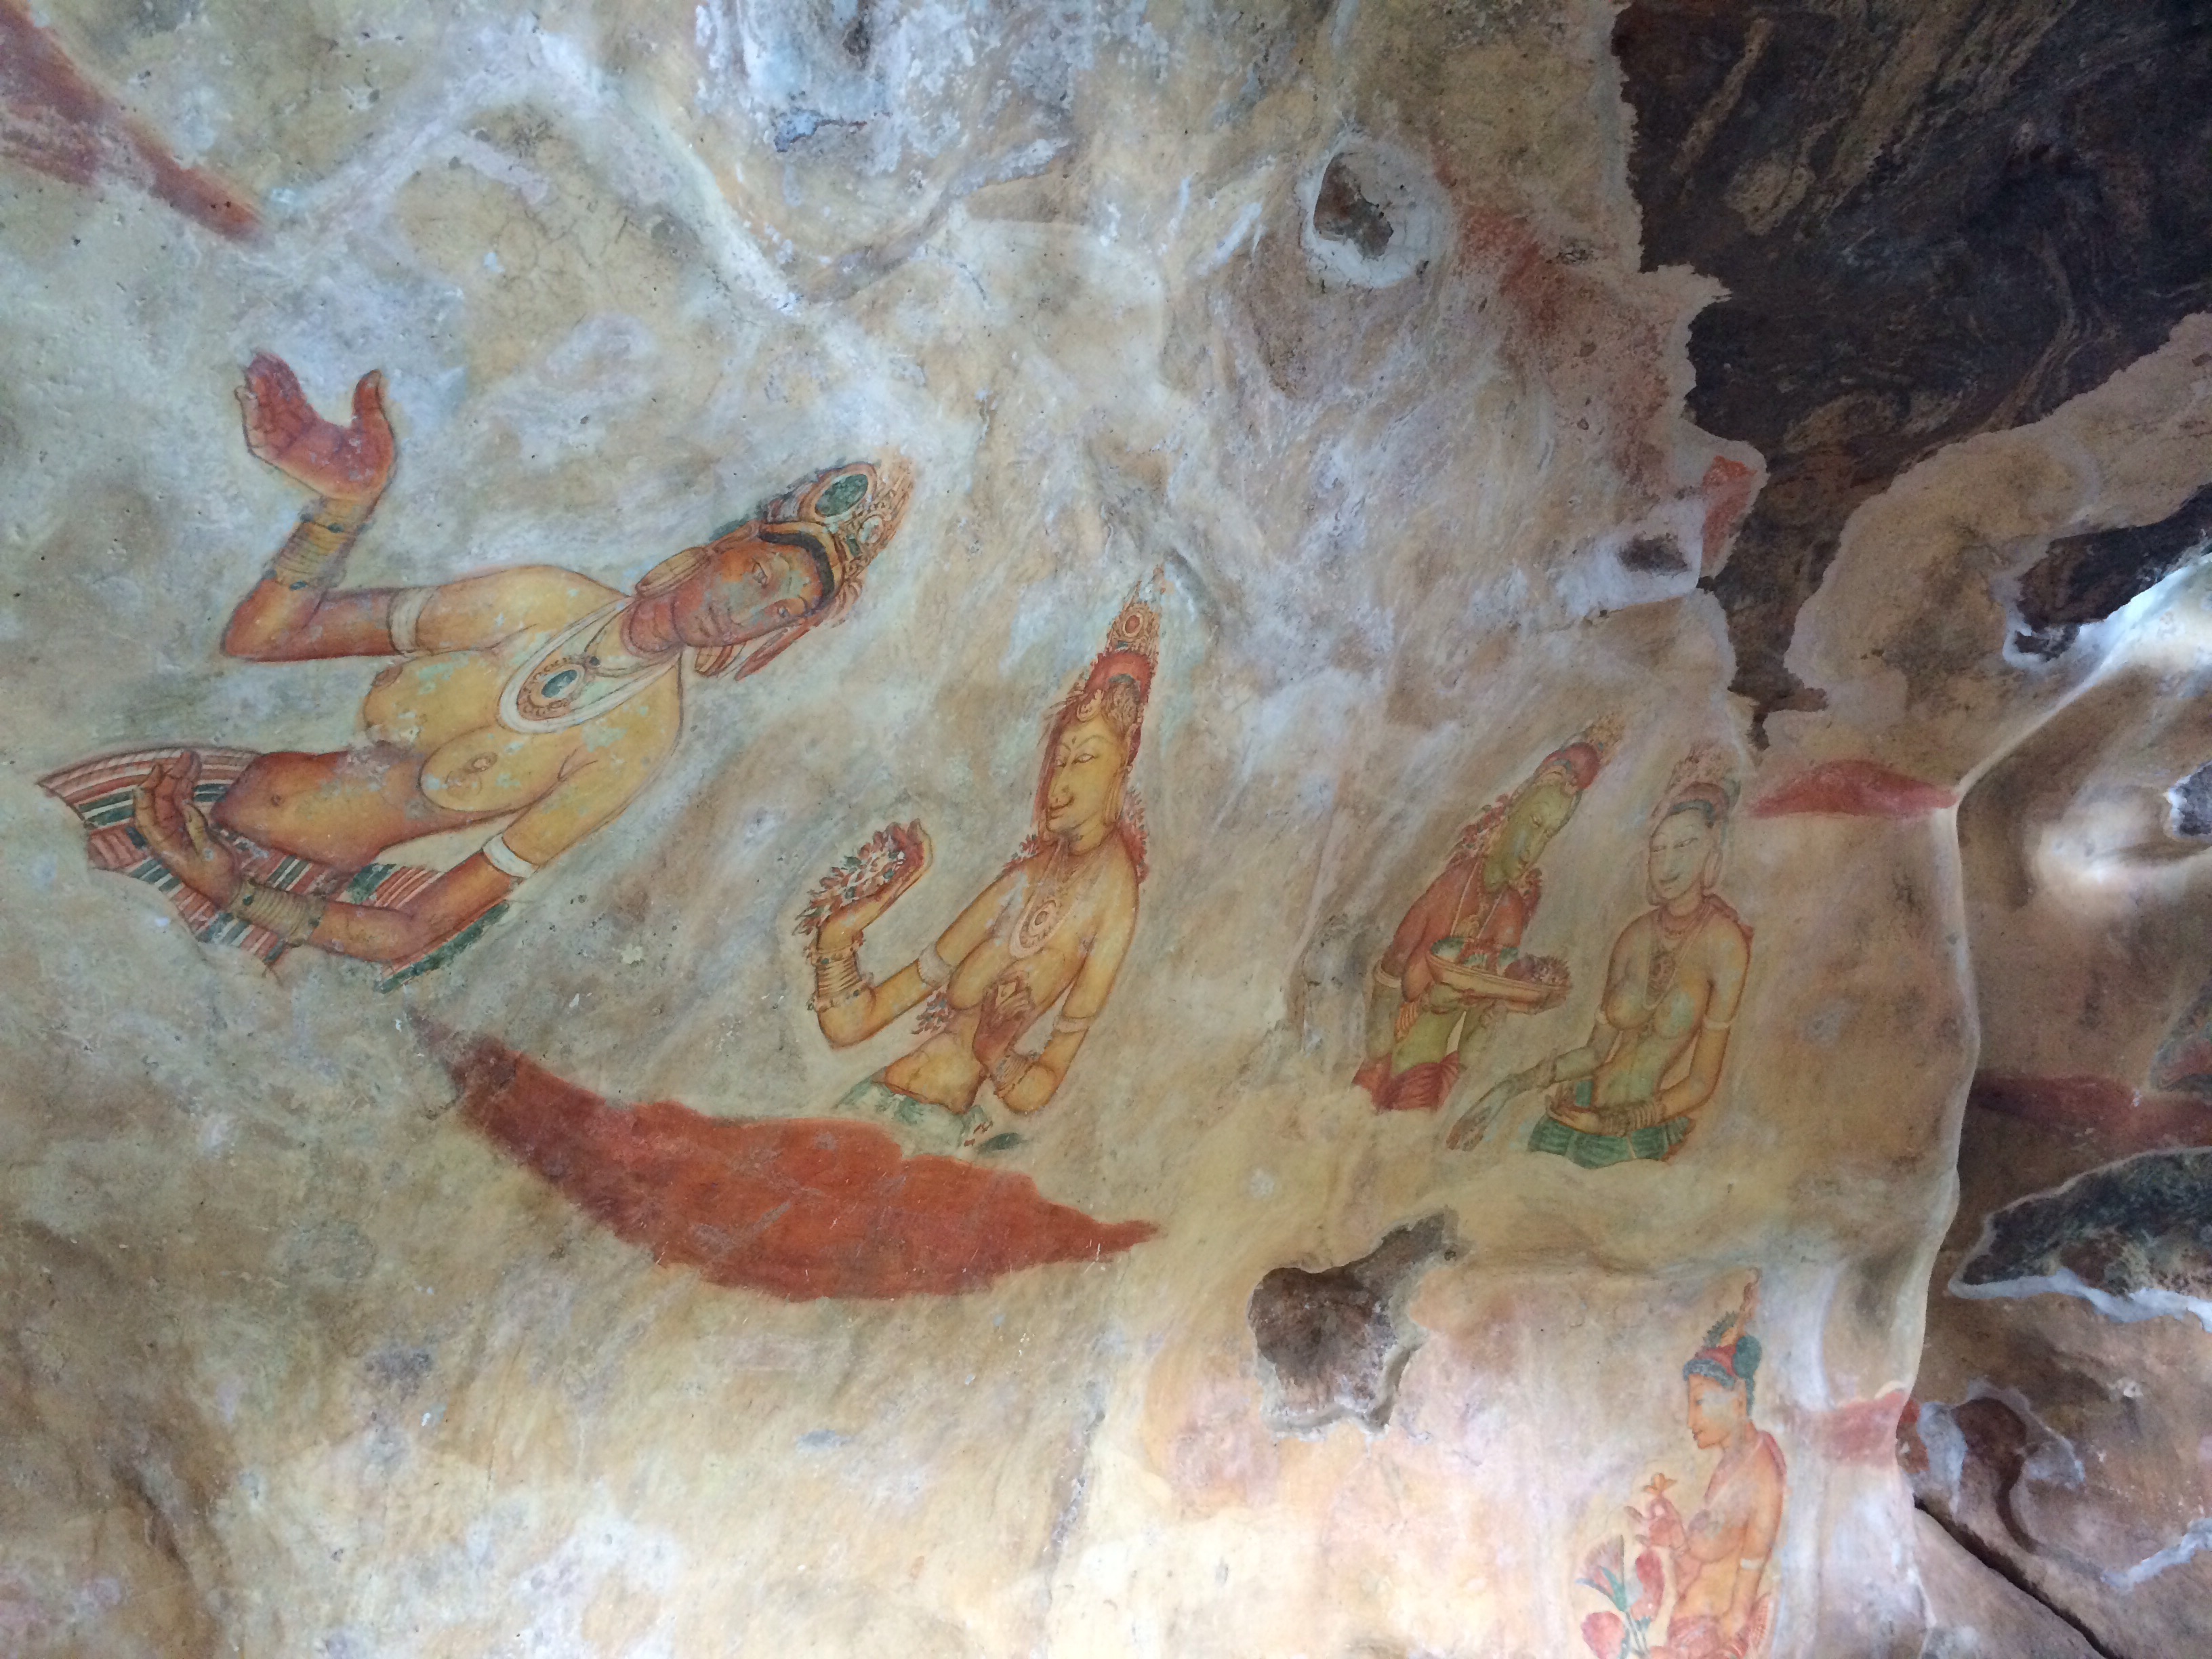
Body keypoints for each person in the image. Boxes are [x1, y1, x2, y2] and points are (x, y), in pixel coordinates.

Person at [41, 352, 911, 985]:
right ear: (724, 548)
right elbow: (265, 638)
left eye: (781, 611)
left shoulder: (637, 744)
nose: (750, 609)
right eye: (759, 576)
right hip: (182, 799)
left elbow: (416, 928)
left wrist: (229, 887)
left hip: (255, 898)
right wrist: (344, 506)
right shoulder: (540, 597)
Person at [794, 593, 1158, 1155]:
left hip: (929, 1144)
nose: (1059, 783)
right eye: (1059, 759)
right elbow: (854, 1023)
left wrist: (994, 1052)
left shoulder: (1115, 899)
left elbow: (1039, 1088)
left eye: (1085, 758)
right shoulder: (1025, 877)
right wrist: (842, 934)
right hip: (870, 1105)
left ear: (1123, 763)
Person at [1447, 750, 1750, 1165]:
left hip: (1634, 1134)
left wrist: (1612, 1124)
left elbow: (1700, 1083)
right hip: (1575, 1111)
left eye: (1684, 845)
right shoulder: (1633, 937)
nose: (1668, 862)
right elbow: (1595, 1053)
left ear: (1711, 856)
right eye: (1658, 849)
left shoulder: (1725, 946)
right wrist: (1510, 1087)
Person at [1355, 725, 1613, 1113]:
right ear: (1513, 813)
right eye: (1534, 825)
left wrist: (1499, 1012)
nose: (1535, 846)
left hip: (1424, 1079)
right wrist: (1385, 1041)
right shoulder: (1455, 883)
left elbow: (1472, 1039)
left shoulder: (1510, 913)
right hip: (1382, 1063)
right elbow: (1394, 964)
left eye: (1548, 835)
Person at [1634, 1284, 1785, 1658]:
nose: (1691, 1420)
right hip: (1687, 1634)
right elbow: (1703, 1570)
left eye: (1699, 1402)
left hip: (1704, 1644)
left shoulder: (1762, 1475)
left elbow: (1739, 1616)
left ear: (1738, 1399)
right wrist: (1676, 1540)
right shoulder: (1728, 1467)